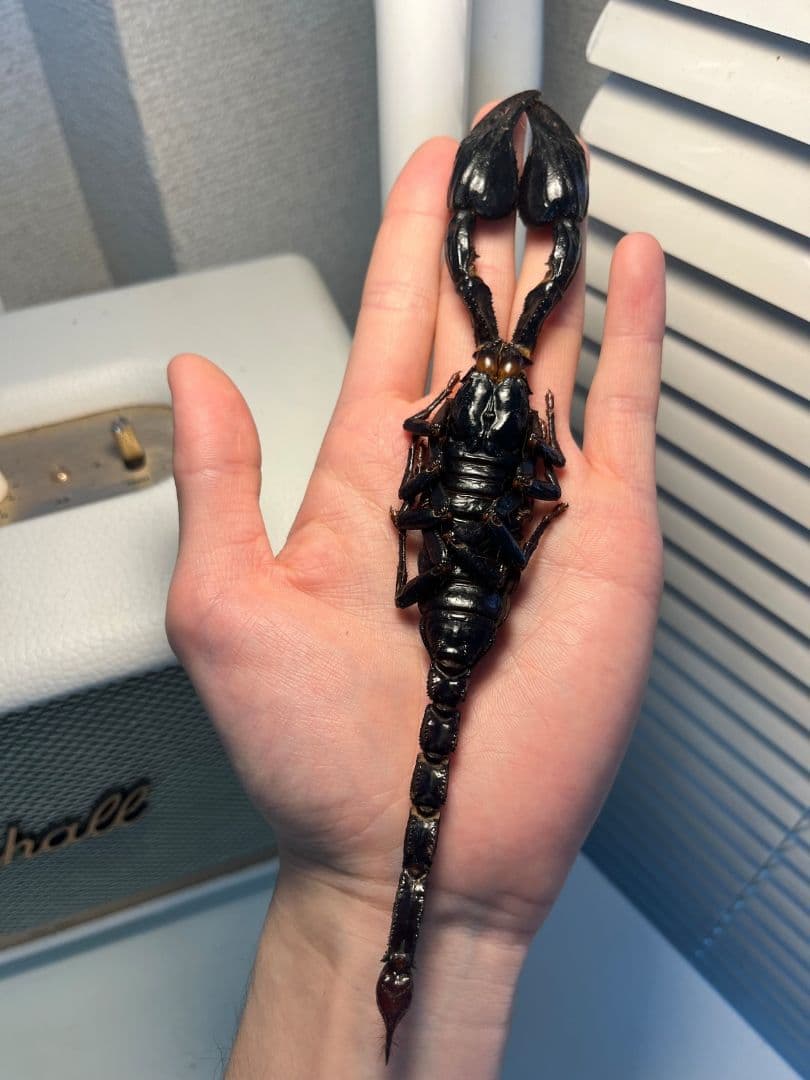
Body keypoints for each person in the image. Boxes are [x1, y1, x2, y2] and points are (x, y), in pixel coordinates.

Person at [165, 104, 666, 1077]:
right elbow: (531, 482)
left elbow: (429, 476)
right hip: (474, 585)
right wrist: (518, 490)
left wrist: (444, 510)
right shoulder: (507, 413)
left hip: (449, 588)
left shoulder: (459, 409)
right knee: (512, 516)